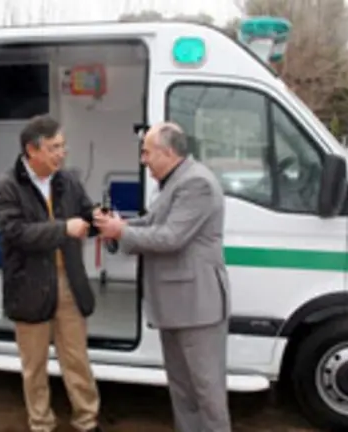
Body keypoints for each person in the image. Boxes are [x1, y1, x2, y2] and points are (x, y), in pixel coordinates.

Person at [95, 122, 232, 432]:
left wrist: (121, 231)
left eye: (146, 152)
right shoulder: (174, 182)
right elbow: (152, 223)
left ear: (168, 152)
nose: (142, 160)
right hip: (178, 306)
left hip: (197, 308)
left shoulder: (196, 183)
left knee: (207, 394)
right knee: (183, 391)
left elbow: (171, 237)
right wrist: (118, 226)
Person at [0, 114, 103, 432]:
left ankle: (87, 420)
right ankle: (41, 423)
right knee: (34, 365)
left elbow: (86, 215)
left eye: (63, 146)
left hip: (68, 283)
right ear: (32, 150)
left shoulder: (68, 181)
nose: (62, 153)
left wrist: (100, 218)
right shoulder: (6, 187)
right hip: (29, 286)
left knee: (77, 359)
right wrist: (64, 228)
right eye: (54, 147)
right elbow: (16, 234)